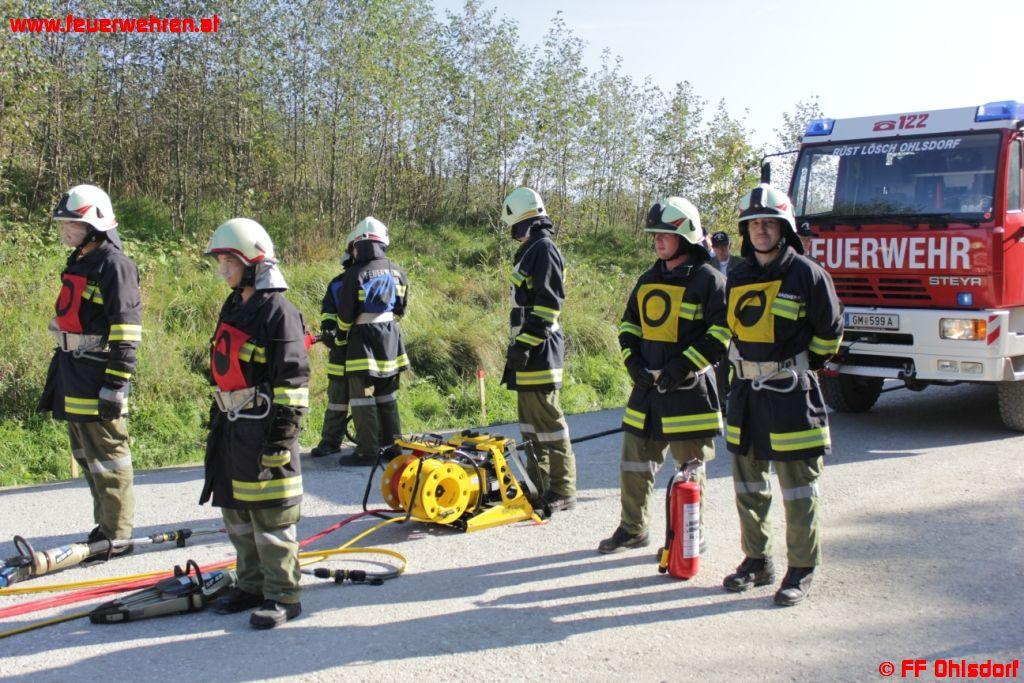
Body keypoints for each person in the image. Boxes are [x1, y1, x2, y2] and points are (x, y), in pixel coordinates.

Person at [722, 184, 843, 607]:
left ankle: (801, 568)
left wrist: (800, 367)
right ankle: (757, 561)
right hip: (746, 394)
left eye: (768, 223)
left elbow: (830, 334)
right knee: (749, 484)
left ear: (784, 228)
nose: (760, 230)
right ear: (745, 230)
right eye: (753, 223)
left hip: (791, 394)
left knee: (797, 488)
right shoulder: (737, 274)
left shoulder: (807, 274)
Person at [598, 197, 730, 554]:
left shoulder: (710, 281)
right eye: (654, 234)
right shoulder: (648, 279)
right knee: (634, 462)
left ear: (685, 236)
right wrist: (632, 363)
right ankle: (633, 529)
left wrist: (682, 365)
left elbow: (721, 333)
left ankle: (689, 536)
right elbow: (629, 326)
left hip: (689, 389)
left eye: (664, 234)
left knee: (689, 470)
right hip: (648, 391)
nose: (657, 240)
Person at [201, 218, 309, 629]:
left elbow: (294, 382)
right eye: (220, 262)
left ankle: (283, 595)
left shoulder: (279, 312)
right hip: (233, 428)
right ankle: (250, 585)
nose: (223, 269)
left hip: (265, 429)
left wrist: (281, 439)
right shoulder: (235, 305)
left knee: (272, 518)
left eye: (229, 261)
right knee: (236, 513)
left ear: (253, 263)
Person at [39, 184, 141, 555]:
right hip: (75, 374)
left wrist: (116, 384)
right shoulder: (83, 260)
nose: (64, 230)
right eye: (63, 223)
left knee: (110, 459)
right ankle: (105, 527)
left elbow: (127, 330)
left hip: (98, 376)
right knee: (89, 459)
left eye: (71, 224)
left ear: (94, 226)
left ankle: (118, 535)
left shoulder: (115, 265)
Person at [500, 187, 576, 513]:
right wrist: (520, 345)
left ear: (521, 219)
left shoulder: (544, 250)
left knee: (549, 424)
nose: (512, 233)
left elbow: (548, 306)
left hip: (540, 350)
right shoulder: (531, 250)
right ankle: (538, 486)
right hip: (528, 350)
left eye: (512, 226)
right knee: (531, 427)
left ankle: (562, 489)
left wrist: (524, 343)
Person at [332, 217, 409, 466]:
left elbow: (345, 315)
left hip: (362, 343)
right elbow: (401, 307)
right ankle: (394, 446)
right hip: (390, 339)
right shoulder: (397, 271)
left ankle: (367, 452)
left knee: (361, 398)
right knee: (387, 396)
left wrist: (340, 339)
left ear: (358, 246)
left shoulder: (354, 273)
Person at [310, 250, 354, 459]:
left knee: (366, 401)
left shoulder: (368, 280)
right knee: (337, 398)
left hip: (364, 349)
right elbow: (328, 312)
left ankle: (372, 442)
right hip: (340, 352)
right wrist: (328, 329)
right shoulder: (336, 284)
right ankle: (331, 441)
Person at [710, 231, 743, 409]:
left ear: (729, 246)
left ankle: (737, 398)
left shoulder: (741, 264)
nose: (721, 250)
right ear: (713, 248)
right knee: (720, 364)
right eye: (717, 247)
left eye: (724, 246)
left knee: (739, 362)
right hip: (719, 319)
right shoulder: (708, 266)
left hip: (739, 320)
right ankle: (722, 402)